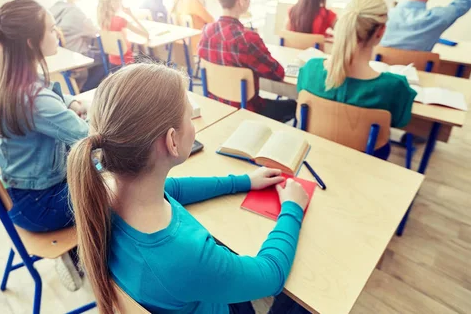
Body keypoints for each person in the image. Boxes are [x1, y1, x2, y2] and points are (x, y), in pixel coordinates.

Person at [66, 62, 311, 314]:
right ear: (172, 141)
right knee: (305, 295)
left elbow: (174, 189)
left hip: (185, 291)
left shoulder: (106, 191)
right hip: (212, 300)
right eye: (189, 116)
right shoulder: (186, 255)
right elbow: (272, 275)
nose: (193, 125)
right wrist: (292, 207)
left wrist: (243, 181)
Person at [0, 0, 89, 290]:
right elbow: (89, 139)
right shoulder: (34, 100)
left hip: (25, 198)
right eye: (52, 29)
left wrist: (72, 101)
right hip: (44, 206)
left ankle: (80, 252)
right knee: (115, 184)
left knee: (100, 171)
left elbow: (52, 99)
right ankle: (93, 260)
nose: (58, 34)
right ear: (31, 42)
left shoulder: (10, 81)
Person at [297, 0, 416, 160]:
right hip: (366, 162)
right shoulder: (394, 86)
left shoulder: (310, 68)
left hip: (314, 154)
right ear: (381, 32)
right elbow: (399, 121)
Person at [198, 0, 296, 123]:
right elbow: (277, 73)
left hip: (217, 108)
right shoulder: (247, 39)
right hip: (247, 113)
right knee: (293, 105)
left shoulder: (205, 32)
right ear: (242, 0)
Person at [50, 0, 106, 91]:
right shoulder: (75, 13)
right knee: (105, 59)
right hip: (78, 54)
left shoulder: (54, 8)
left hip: (64, 54)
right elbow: (94, 31)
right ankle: (86, 89)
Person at [97, 0, 150, 67]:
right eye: (119, 0)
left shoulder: (102, 21)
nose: (121, 3)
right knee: (150, 59)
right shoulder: (120, 21)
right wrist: (131, 15)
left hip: (112, 64)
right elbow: (146, 34)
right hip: (127, 64)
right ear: (112, 3)